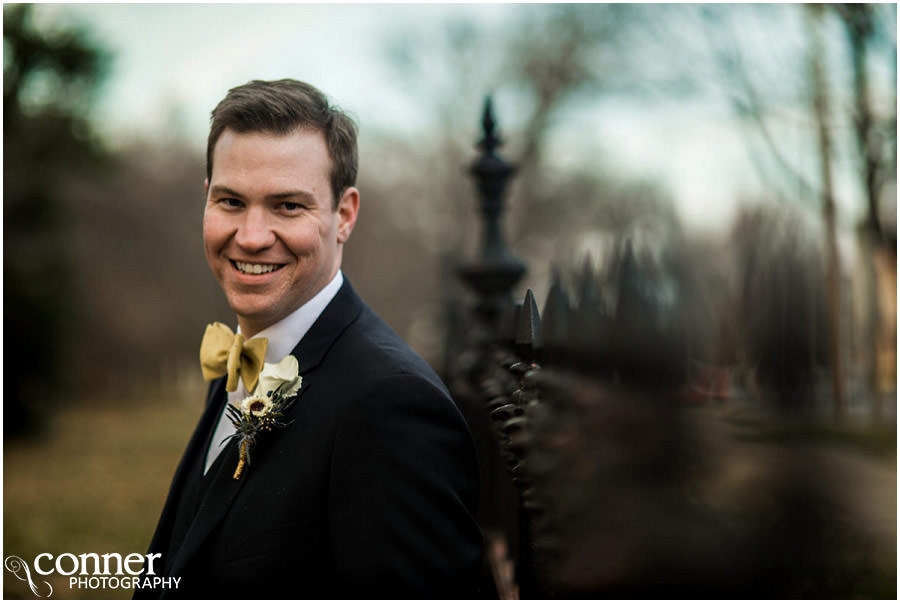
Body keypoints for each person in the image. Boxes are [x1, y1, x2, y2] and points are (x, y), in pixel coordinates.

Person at [136, 79, 483, 599]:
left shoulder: (391, 407)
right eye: (231, 201)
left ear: (344, 215)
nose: (251, 235)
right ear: (206, 198)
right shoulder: (239, 363)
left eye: (287, 207)